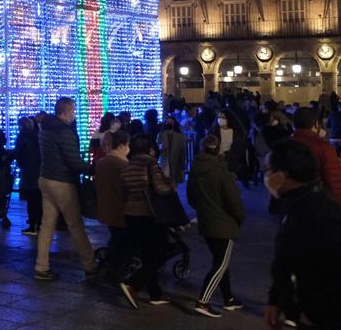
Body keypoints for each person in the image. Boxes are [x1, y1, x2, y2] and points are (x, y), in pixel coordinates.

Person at [263, 139, 341, 330]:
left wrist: (314, 314)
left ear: (282, 176)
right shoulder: (298, 206)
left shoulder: (321, 215)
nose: (266, 177)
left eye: (269, 171)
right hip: (311, 323)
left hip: (325, 328)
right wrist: (277, 298)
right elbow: (286, 259)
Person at [33, 96, 97, 281]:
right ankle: (90, 264)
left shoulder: (45, 128)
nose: (74, 114)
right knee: (75, 225)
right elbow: (74, 162)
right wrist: (93, 168)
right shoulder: (64, 132)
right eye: (73, 111)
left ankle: (41, 266)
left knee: (47, 224)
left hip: (45, 178)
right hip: (62, 182)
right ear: (66, 111)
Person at [187, 134, 245, 317]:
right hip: (223, 223)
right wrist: (239, 218)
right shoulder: (221, 173)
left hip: (206, 221)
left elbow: (191, 198)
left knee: (219, 260)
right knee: (220, 263)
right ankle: (203, 301)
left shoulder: (196, 170)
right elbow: (234, 202)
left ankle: (228, 298)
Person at [119, 135, 176, 308]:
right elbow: (161, 189)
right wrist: (171, 183)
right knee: (160, 253)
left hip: (130, 214)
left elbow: (123, 191)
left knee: (147, 254)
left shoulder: (127, 167)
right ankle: (133, 283)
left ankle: (155, 293)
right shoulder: (151, 164)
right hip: (149, 214)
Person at [94, 129, 130, 276]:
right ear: (122, 146)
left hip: (106, 207)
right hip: (121, 209)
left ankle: (110, 264)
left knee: (116, 238)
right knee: (121, 240)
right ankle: (115, 267)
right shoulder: (122, 165)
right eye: (128, 145)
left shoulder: (102, 162)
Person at [289, 106, 341, 202]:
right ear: (316, 125)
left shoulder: (283, 145)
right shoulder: (324, 148)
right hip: (317, 202)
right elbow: (333, 181)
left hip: (291, 202)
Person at [13, 115, 43, 236]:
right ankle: (39, 223)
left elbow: (18, 152)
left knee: (31, 200)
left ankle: (32, 225)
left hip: (28, 171)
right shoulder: (38, 135)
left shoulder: (22, 137)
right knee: (39, 199)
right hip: (39, 171)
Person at [160, 116, 188, 185]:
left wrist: (183, 165)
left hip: (176, 162)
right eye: (168, 122)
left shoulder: (180, 136)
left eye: (171, 122)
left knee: (174, 183)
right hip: (164, 162)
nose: (169, 123)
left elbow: (183, 152)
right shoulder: (160, 135)